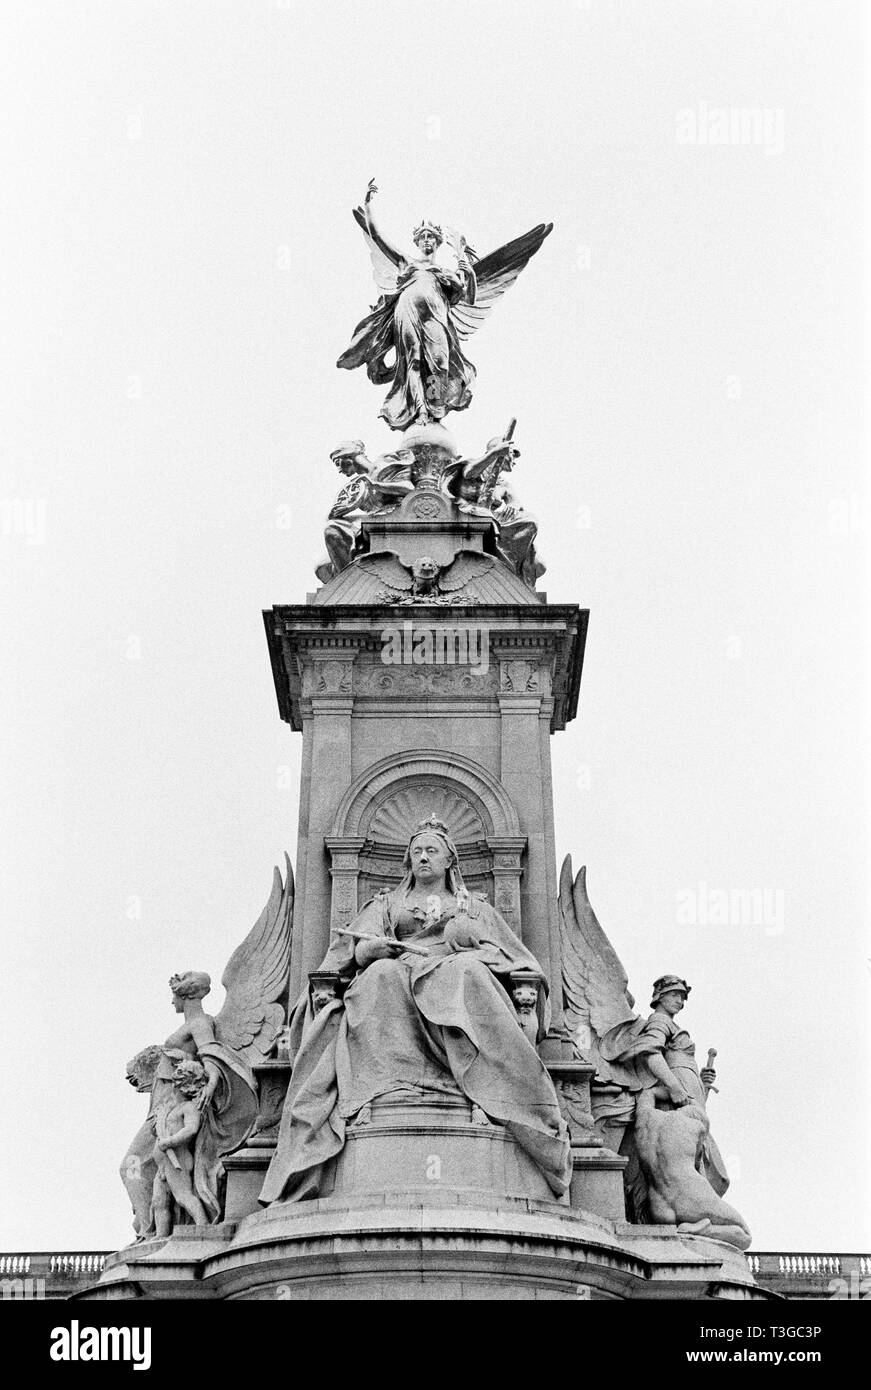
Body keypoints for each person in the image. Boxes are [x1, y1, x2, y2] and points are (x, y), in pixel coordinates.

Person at [261, 816, 571, 1203]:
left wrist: (473, 951)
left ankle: (479, 1087)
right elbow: (353, 951)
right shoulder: (387, 904)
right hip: (400, 969)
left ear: (449, 862)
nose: (424, 857)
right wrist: (373, 950)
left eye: (432, 851)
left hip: (453, 968)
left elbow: (513, 956)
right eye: (417, 852)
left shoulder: (473, 907)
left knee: (468, 974)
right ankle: (382, 1089)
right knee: (379, 978)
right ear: (408, 861)